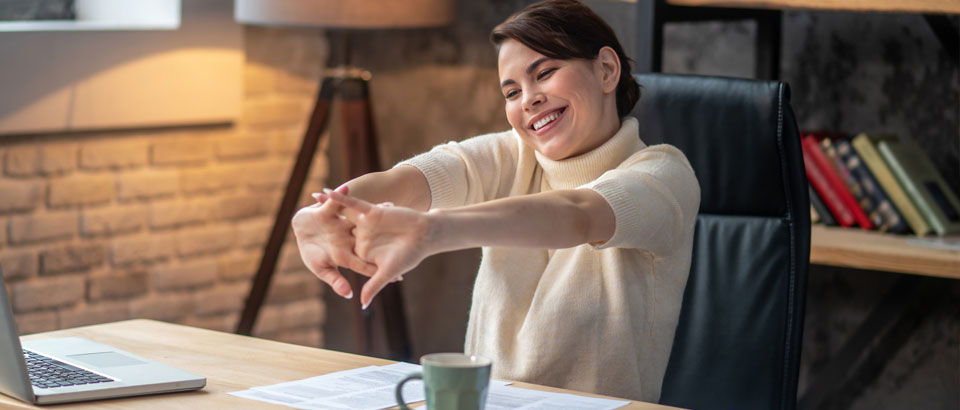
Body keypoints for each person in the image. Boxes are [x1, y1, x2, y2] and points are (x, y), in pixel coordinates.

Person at [292, 0, 700, 402]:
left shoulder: (662, 176)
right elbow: (408, 181)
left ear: (607, 70)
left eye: (545, 73)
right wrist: (326, 211)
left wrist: (432, 230)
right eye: (512, 91)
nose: (528, 99)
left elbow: (577, 214)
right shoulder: (511, 155)